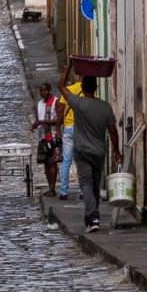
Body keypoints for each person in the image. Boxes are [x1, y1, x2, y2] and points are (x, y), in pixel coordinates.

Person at [58, 65, 121, 233]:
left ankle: (92, 217)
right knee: (95, 183)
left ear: (83, 88)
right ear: (96, 88)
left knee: (86, 183)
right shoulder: (105, 107)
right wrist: (117, 151)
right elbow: (113, 131)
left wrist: (71, 66)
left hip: (83, 151)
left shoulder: (78, 103)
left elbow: (61, 86)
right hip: (99, 151)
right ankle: (94, 216)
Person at [30, 83, 61, 197]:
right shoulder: (39, 104)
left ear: (49, 90)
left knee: (52, 162)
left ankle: (53, 188)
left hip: (52, 136)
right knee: (46, 163)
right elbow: (39, 119)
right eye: (41, 91)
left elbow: (58, 120)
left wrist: (43, 122)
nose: (43, 93)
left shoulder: (55, 102)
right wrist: (35, 125)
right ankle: (50, 187)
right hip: (43, 136)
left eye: (45, 91)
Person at [56, 72, 84, 200]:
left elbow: (60, 112)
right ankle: (83, 191)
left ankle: (63, 191)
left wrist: (57, 129)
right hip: (82, 129)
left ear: (78, 77)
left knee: (66, 161)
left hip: (68, 128)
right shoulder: (88, 92)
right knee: (82, 161)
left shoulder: (68, 90)